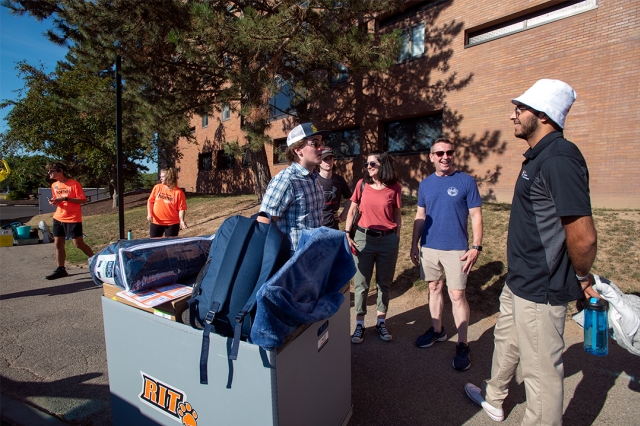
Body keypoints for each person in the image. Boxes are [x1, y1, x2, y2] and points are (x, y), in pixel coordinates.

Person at [464, 79, 598, 424]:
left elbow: (582, 237)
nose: (513, 115)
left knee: (540, 372)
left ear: (543, 116)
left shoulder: (559, 159)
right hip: (519, 279)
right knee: (506, 341)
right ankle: (494, 399)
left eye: (519, 109)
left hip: (541, 286)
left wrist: (582, 277)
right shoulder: (539, 156)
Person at [410, 138, 483, 371]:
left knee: (457, 294)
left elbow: (476, 216)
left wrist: (476, 246)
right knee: (434, 287)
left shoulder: (466, 181)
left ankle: (463, 344)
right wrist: (414, 244)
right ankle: (437, 330)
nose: (445, 156)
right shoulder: (426, 184)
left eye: (449, 152)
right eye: (439, 153)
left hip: (456, 248)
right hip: (429, 246)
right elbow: (420, 215)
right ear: (431, 156)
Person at [345, 151, 402, 343]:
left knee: (383, 283)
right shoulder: (362, 185)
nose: (368, 167)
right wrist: (347, 233)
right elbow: (352, 209)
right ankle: (360, 324)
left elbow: (396, 213)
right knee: (361, 284)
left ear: (382, 165)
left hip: (387, 241)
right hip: (363, 238)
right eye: (367, 164)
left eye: (372, 164)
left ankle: (380, 322)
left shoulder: (395, 188)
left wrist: (397, 237)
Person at [259, 122, 329, 251]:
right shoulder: (286, 180)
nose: (321, 148)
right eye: (315, 143)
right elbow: (263, 223)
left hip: (314, 253)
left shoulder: (315, 179)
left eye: (322, 143)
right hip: (292, 258)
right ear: (298, 150)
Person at [45, 162, 94, 280]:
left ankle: (97, 261)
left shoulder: (74, 184)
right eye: (48, 171)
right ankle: (61, 269)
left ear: (60, 171)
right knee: (58, 243)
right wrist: (54, 201)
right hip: (58, 217)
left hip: (73, 218)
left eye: (51, 171)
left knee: (78, 244)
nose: (49, 173)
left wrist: (66, 198)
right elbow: (58, 200)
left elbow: (83, 200)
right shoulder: (54, 185)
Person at [317, 147, 353, 229]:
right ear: (319, 161)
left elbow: (351, 199)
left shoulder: (339, 180)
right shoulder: (313, 180)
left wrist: (342, 217)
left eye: (330, 158)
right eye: (325, 159)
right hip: (316, 227)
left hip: (333, 226)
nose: (328, 162)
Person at [147, 168, 188, 237]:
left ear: (169, 177)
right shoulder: (157, 187)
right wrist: (149, 214)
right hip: (156, 222)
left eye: (162, 177)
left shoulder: (178, 192)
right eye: (160, 177)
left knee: (170, 245)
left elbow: (181, 209)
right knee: (154, 244)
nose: (161, 179)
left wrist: (181, 221)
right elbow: (150, 201)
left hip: (172, 224)